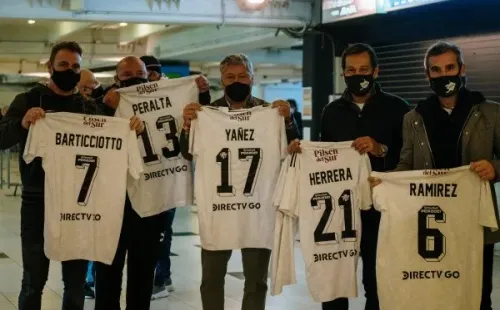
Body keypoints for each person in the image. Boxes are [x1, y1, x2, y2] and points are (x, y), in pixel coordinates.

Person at [0, 41, 142, 310]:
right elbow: (1, 137)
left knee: (76, 284)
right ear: (49, 66)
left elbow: (114, 133)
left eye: (76, 66)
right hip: (37, 201)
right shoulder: (29, 100)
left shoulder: (87, 106)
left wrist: (133, 127)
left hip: (79, 205)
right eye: (63, 65)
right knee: (33, 280)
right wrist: (23, 122)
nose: (70, 70)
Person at [370, 41, 500, 310]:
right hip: (429, 221)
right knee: (431, 293)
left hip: (473, 222)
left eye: (450, 67)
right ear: (428, 75)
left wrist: (495, 168)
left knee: (476, 295)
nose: (444, 75)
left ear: (462, 69)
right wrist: (388, 180)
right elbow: (407, 164)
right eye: (436, 70)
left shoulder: (491, 113)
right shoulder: (414, 118)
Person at [289, 43, 409, 310]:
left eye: (364, 69)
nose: (358, 75)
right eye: (351, 70)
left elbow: (409, 158)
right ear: (343, 73)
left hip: (381, 211)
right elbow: (324, 156)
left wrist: (381, 149)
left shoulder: (399, 108)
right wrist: (303, 152)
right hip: (339, 212)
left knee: (378, 283)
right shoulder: (331, 112)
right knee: (334, 280)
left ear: (376, 72)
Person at [179, 53, 299, 310]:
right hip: (219, 210)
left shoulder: (269, 112)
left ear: (252, 78)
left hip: (258, 208)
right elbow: (187, 152)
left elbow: (292, 148)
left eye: (243, 76)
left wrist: (288, 120)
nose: (237, 81)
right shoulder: (208, 113)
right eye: (230, 77)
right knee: (211, 279)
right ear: (222, 80)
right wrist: (188, 126)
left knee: (256, 281)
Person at [140, 55, 212, 105]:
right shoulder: (132, 96)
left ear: (159, 75)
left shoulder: (175, 89)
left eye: (151, 75)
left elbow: (203, 107)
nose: (147, 81)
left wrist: (203, 92)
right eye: (143, 77)